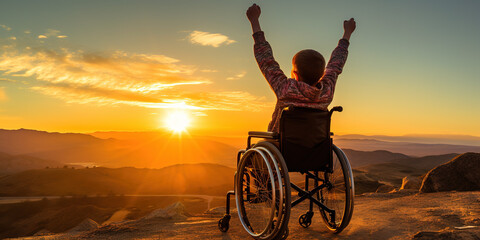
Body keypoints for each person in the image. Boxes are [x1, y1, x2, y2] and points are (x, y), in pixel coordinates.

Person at [246, 3, 356, 133]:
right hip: (313, 149)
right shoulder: (326, 93)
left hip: (279, 148)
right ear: (321, 75)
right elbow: (335, 65)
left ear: (296, 75)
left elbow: (265, 59)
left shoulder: (285, 89)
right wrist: (347, 33)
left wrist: (254, 21)